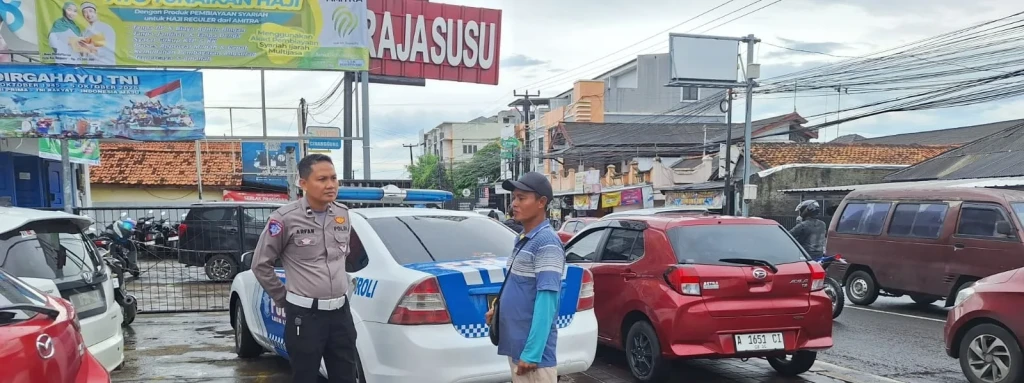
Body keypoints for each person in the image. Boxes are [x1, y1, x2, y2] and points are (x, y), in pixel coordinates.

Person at [251, 154, 359, 383]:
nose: (330, 185)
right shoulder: (284, 218)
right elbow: (260, 264)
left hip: (340, 314)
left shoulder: (342, 214)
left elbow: (343, 257)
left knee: (346, 376)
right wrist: (285, 300)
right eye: (322, 179)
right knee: (305, 377)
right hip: (305, 316)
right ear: (303, 183)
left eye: (334, 178)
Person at [487, 171, 564, 382]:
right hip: (517, 346)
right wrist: (498, 311)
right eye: (514, 198)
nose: (514, 204)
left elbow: (547, 301)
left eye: (521, 198)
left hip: (533, 358)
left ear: (541, 202)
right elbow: (520, 286)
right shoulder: (523, 238)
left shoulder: (547, 243)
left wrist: (532, 353)